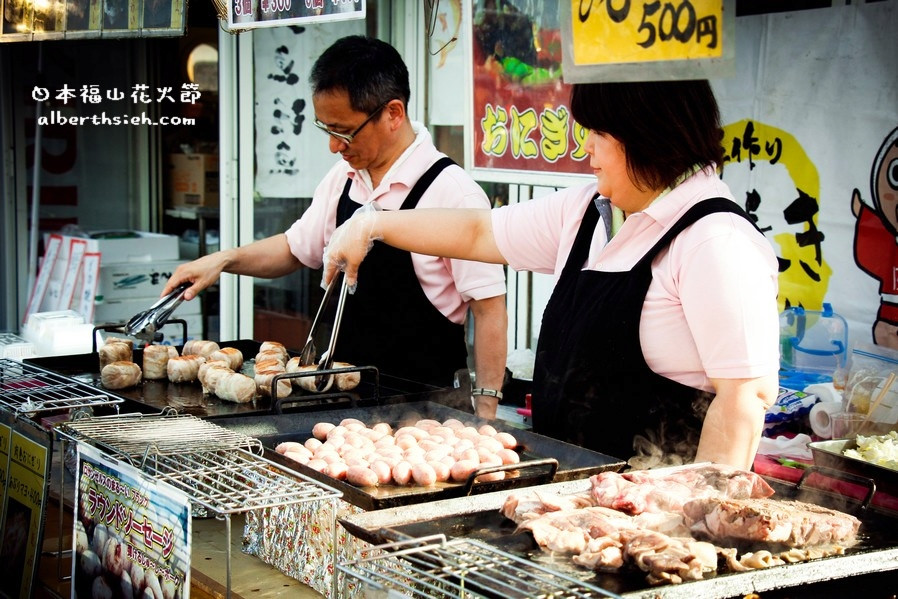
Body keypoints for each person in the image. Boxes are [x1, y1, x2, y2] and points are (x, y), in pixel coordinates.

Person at [323, 80, 781, 470]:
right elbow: (478, 231)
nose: (587, 149)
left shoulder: (717, 241)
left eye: (599, 134)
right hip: (567, 497)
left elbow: (743, 400)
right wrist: (373, 224)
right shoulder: (586, 210)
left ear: (647, 136)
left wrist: (690, 527)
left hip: (650, 516)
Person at [162, 35, 508, 418]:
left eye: (343, 131)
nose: (333, 146)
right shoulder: (344, 178)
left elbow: (489, 308)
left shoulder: (453, 193)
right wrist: (223, 261)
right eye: (325, 129)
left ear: (393, 113)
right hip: (340, 401)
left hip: (424, 409)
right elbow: (296, 248)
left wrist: (486, 409)